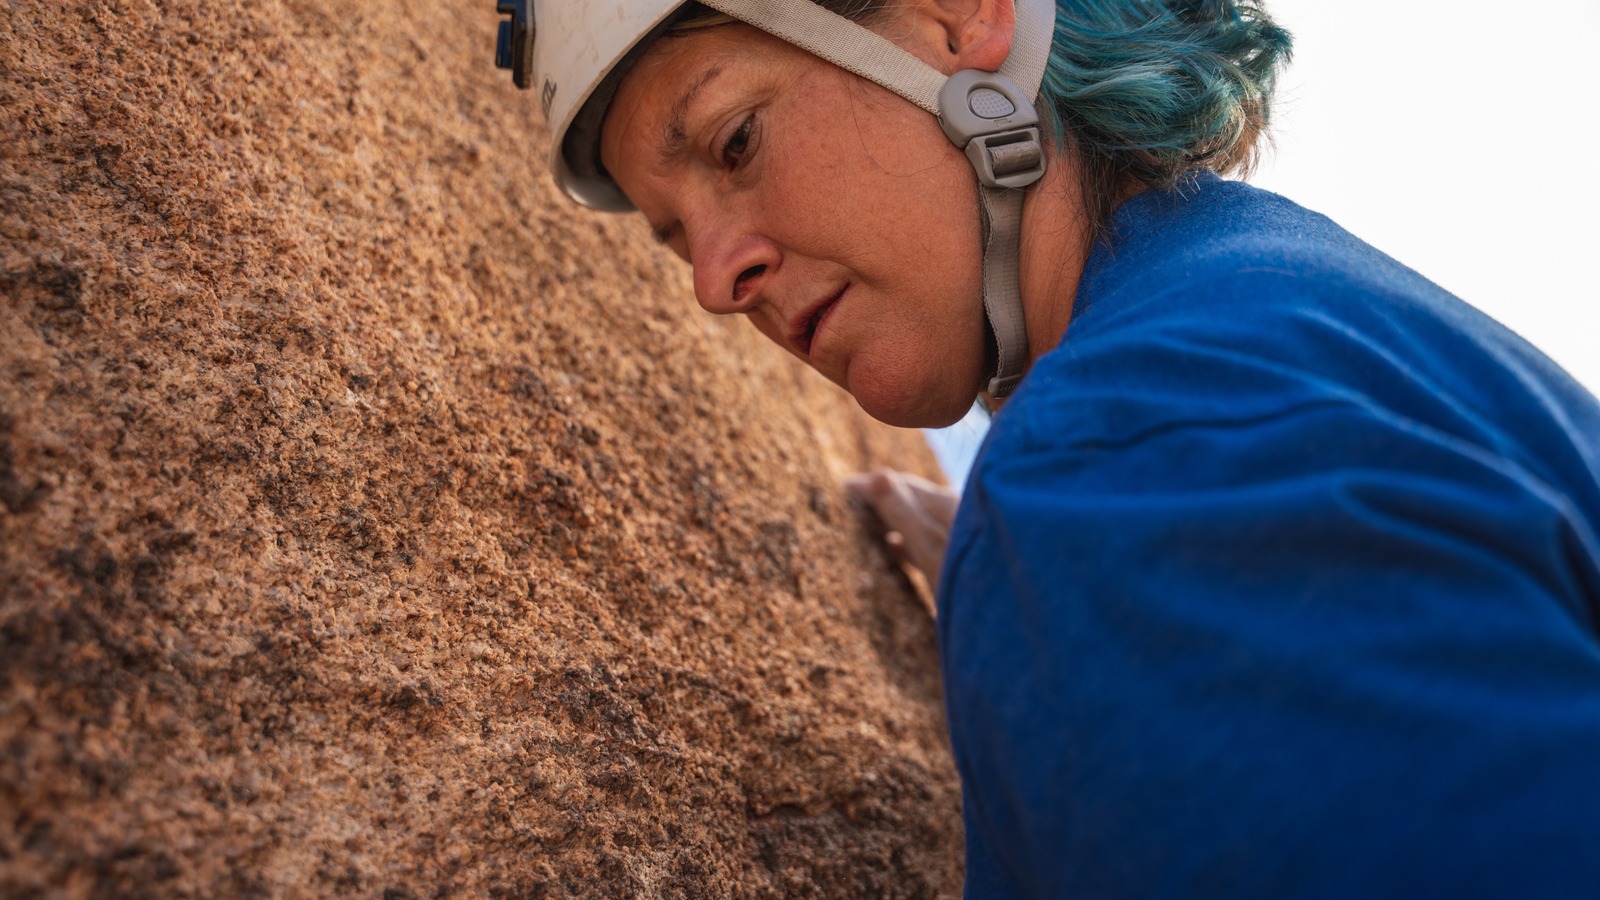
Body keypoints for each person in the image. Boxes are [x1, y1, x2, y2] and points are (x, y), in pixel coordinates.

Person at [495, 0, 1600, 895]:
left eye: (737, 141)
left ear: (957, 19)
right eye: (675, 233)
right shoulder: (1288, 309)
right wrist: (1054, 623)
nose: (711, 282)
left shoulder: (1124, 473)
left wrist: (1071, 553)